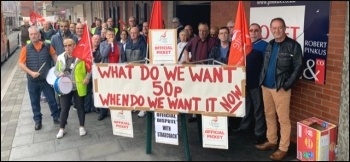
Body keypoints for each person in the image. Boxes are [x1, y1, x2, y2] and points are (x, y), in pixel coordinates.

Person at [256, 17, 303, 161]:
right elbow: (265, 65)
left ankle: (283, 148)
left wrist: (286, 85)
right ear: (271, 29)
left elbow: (298, 67)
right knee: (269, 114)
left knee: (283, 119)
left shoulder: (293, 46)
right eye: (274, 28)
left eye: (279, 27)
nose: (276, 30)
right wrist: (262, 80)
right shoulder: (270, 44)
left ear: (284, 28)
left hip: (281, 88)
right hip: (266, 86)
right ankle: (272, 140)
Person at [18, 26, 60, 130]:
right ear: (29, 36)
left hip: (46, 79)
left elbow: (55, 57)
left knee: (51, 99)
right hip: (32, 80)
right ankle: (37, 120)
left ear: (39, 35)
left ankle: (56, 116)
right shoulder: (25, 49)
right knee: (34, 101)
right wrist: (31, 73)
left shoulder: (47, 46)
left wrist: (58, 69)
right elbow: (21, 64)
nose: (33, 36)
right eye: (31, 34)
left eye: (35, 34)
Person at [234, 23, 268, 145]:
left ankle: (259, 134)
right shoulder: (245, 45)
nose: (253, 32)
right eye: (251, 30)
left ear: (260, 32)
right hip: (244, 81)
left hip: (256, 83)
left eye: (256, 30)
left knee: (258, 109)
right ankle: (244, 127)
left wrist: (261, 81)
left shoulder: (264, 46)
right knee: (246, 107)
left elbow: (266, 65)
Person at [55, 38, 90, 139]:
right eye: (65, 46)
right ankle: (61, 129)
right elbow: (55, 71)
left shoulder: (82, 56)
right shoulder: (60, 57)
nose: (67, 48)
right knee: (64, 108)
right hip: (65, 86)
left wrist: (87, 77)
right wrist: (59, 74)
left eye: (69, 45)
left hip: (78, 86)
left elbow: (89, 68)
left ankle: (82, 127)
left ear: (75, 45)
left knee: (80, 107)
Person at [121, 26, 147, 117]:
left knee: (140, 90)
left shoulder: (143, 44)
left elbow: (145, 59)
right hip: (129, 71)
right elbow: (124, 57)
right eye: (131, 33)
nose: (132, 34)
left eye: (134, 33)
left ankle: (142, 109)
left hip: (139, 71)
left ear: (138, 33)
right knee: (132, 89)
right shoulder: (127, 43)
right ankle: (134, 106)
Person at [98, 28, 123, 120]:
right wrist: (109, 44)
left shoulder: (119, 45)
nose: (111, 36)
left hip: (117, 72)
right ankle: (103, 112)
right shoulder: (102, 44)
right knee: (105, 92)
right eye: (109, 35)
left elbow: (122, 57)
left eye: (113, 35)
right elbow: (104, 54)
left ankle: (116, 111)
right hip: (106, 73)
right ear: (106, 35)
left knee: (116, 92)